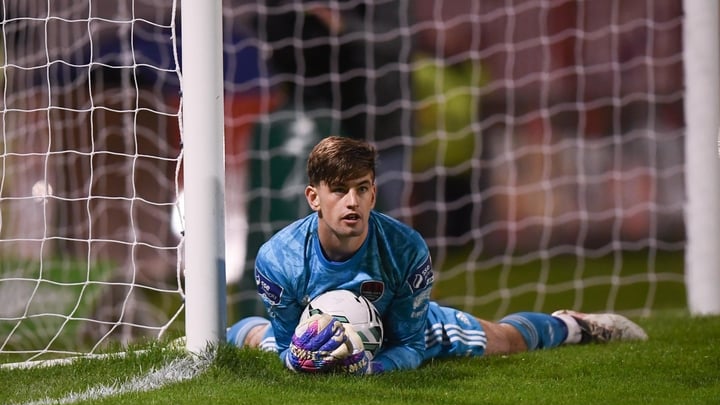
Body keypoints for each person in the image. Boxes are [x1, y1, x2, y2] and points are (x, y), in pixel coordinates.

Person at [227, 136, 647, 374]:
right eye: (339, 190)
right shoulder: (278, 259)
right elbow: (285, 347)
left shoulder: (406, 249)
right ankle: (214, 335)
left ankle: (572, 326)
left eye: (362, 188)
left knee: (504, 341)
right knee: (260, 340)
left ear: (374, 192)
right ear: (314, 197)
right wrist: (304, 358)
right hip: (315, 332)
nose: (351, 201)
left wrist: (371, 368)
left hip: (397, 327)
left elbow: (410, 345)